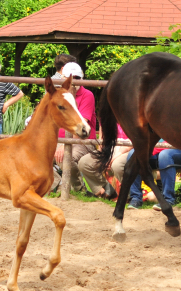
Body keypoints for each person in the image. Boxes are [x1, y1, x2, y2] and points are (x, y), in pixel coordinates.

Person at [53, 62, 96, 192]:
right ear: (62, 78)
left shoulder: (87, 95)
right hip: (59, 140)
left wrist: (64, 144)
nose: (74, 81)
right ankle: (55, 185)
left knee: (65, 156)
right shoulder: (57, 95)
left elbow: (80, 128)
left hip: (82, 141)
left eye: (77, 78)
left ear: (82, 79)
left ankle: (78, 188)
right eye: (70, 78)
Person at [126, 140, 181, 211]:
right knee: (133, 153)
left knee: (164, 155)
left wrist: (151, 149)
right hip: (154, 151)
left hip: (180, 150)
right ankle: (135, 198)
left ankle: (168, 199)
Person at [78, 124, 129, 198]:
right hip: (109, 148)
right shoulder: (105, 115)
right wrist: (102, 156)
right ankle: (106, 189)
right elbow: (102, 140)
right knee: (84, 162)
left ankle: (129, 195)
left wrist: (114, 157)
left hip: (127, 148)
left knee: (116, 165)